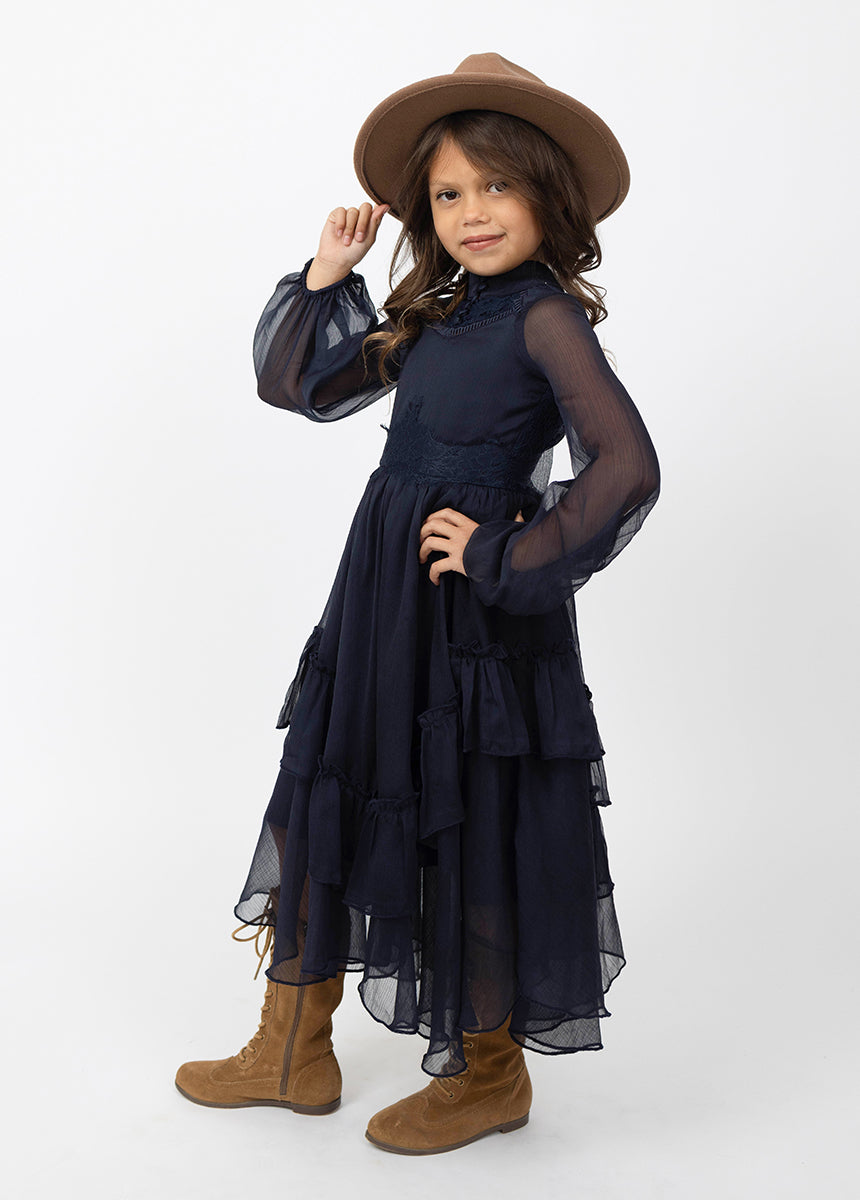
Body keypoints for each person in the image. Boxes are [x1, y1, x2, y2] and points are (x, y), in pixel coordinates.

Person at [175, 53, 660, 1155]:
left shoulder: (546, 319)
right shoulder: (438, 314)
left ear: (548, 197)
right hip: (381, 598)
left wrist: (508, 552)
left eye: (496, 186)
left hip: (473, 620)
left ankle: (487, 1073)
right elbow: (304, 386)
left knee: (465, 813)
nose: (472, 212)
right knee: (333, 779)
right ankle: (291, 1048)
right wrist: (325, 275)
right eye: (447, 194)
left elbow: (626, 467)